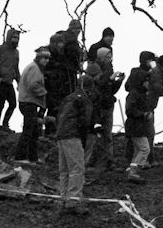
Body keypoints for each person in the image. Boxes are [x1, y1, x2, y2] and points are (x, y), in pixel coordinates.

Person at [55, 74, 96, 211]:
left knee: (65, 170)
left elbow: (59, 115)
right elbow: (84, 122)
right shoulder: (84, 101)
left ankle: (63, 198)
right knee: (77, 168)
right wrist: (84, 140)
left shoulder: (69, 98)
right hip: (73, 135)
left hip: (61, 135)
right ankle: (73, 200)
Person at [85, 44, 123, 172]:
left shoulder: (109, 69)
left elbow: (110, 90)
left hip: (107, 104)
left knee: (107, 135)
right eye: (107, 56)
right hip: (98, 106)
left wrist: (118, 82)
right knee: (96, 135)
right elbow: (97, 86)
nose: (110, 58)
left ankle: (108, 161)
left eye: (111, 56)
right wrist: (109, 80)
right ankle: (94, 161)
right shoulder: (93, 68)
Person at [14, 45, 50, 164]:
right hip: (28, 102)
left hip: (29, 101)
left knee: (34, 131)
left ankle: (32, 157)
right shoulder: (34, 68)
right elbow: (33, 85)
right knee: (29, 130)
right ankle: (20, 157)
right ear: (39, 58)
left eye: (48, 58)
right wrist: (44, 92)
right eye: (44, 58)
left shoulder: (35, 68)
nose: (46, 60)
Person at [123, 74, 153, 184]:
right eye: (147, 81)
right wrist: (143, 114)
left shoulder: (141, 94)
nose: (148, 83)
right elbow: (129, 110)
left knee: (137, 150)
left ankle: (132, 170)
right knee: (145, 149)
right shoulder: (134, 94)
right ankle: (133, 172)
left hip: (138, 126)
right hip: (135, 127)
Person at [0, 28, 22, 134]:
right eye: (14, 37)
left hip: (9, 82)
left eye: (17, 38)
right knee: (0, 105)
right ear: (9, 37)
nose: (16, 40)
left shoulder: (16, 52)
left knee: (13, 104)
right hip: (0, 82)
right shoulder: (1, 49)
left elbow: (16, 68)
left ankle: (5, 124)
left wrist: (19, 81)